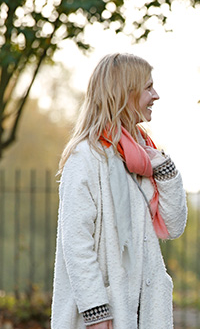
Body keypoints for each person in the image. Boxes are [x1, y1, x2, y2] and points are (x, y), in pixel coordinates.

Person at [51, 53, 188, 328]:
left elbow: (174, 227)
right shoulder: (86, 157)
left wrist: (166, 171)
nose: (156, 95)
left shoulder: (144, 157)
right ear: (125, 93)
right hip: (105, 314)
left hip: (145, 309)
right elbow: (76, 242)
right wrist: (96, 310)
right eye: (148, 87)